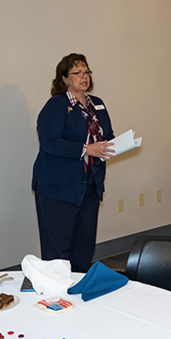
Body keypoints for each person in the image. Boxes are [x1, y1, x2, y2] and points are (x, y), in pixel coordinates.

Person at [32, 53, 115, 273]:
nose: (83, 76)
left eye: (86, 71)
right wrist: (87, 149)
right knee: (58, 252)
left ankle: (78, 295)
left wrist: (115, 145)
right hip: (59, 188)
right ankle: (55, 298)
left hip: (89, 186)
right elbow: (49, 142)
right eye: (77, 72)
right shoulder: (56, 105)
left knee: (84, 247)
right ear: (64, 79)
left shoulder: (97, 104)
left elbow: (107, 135)